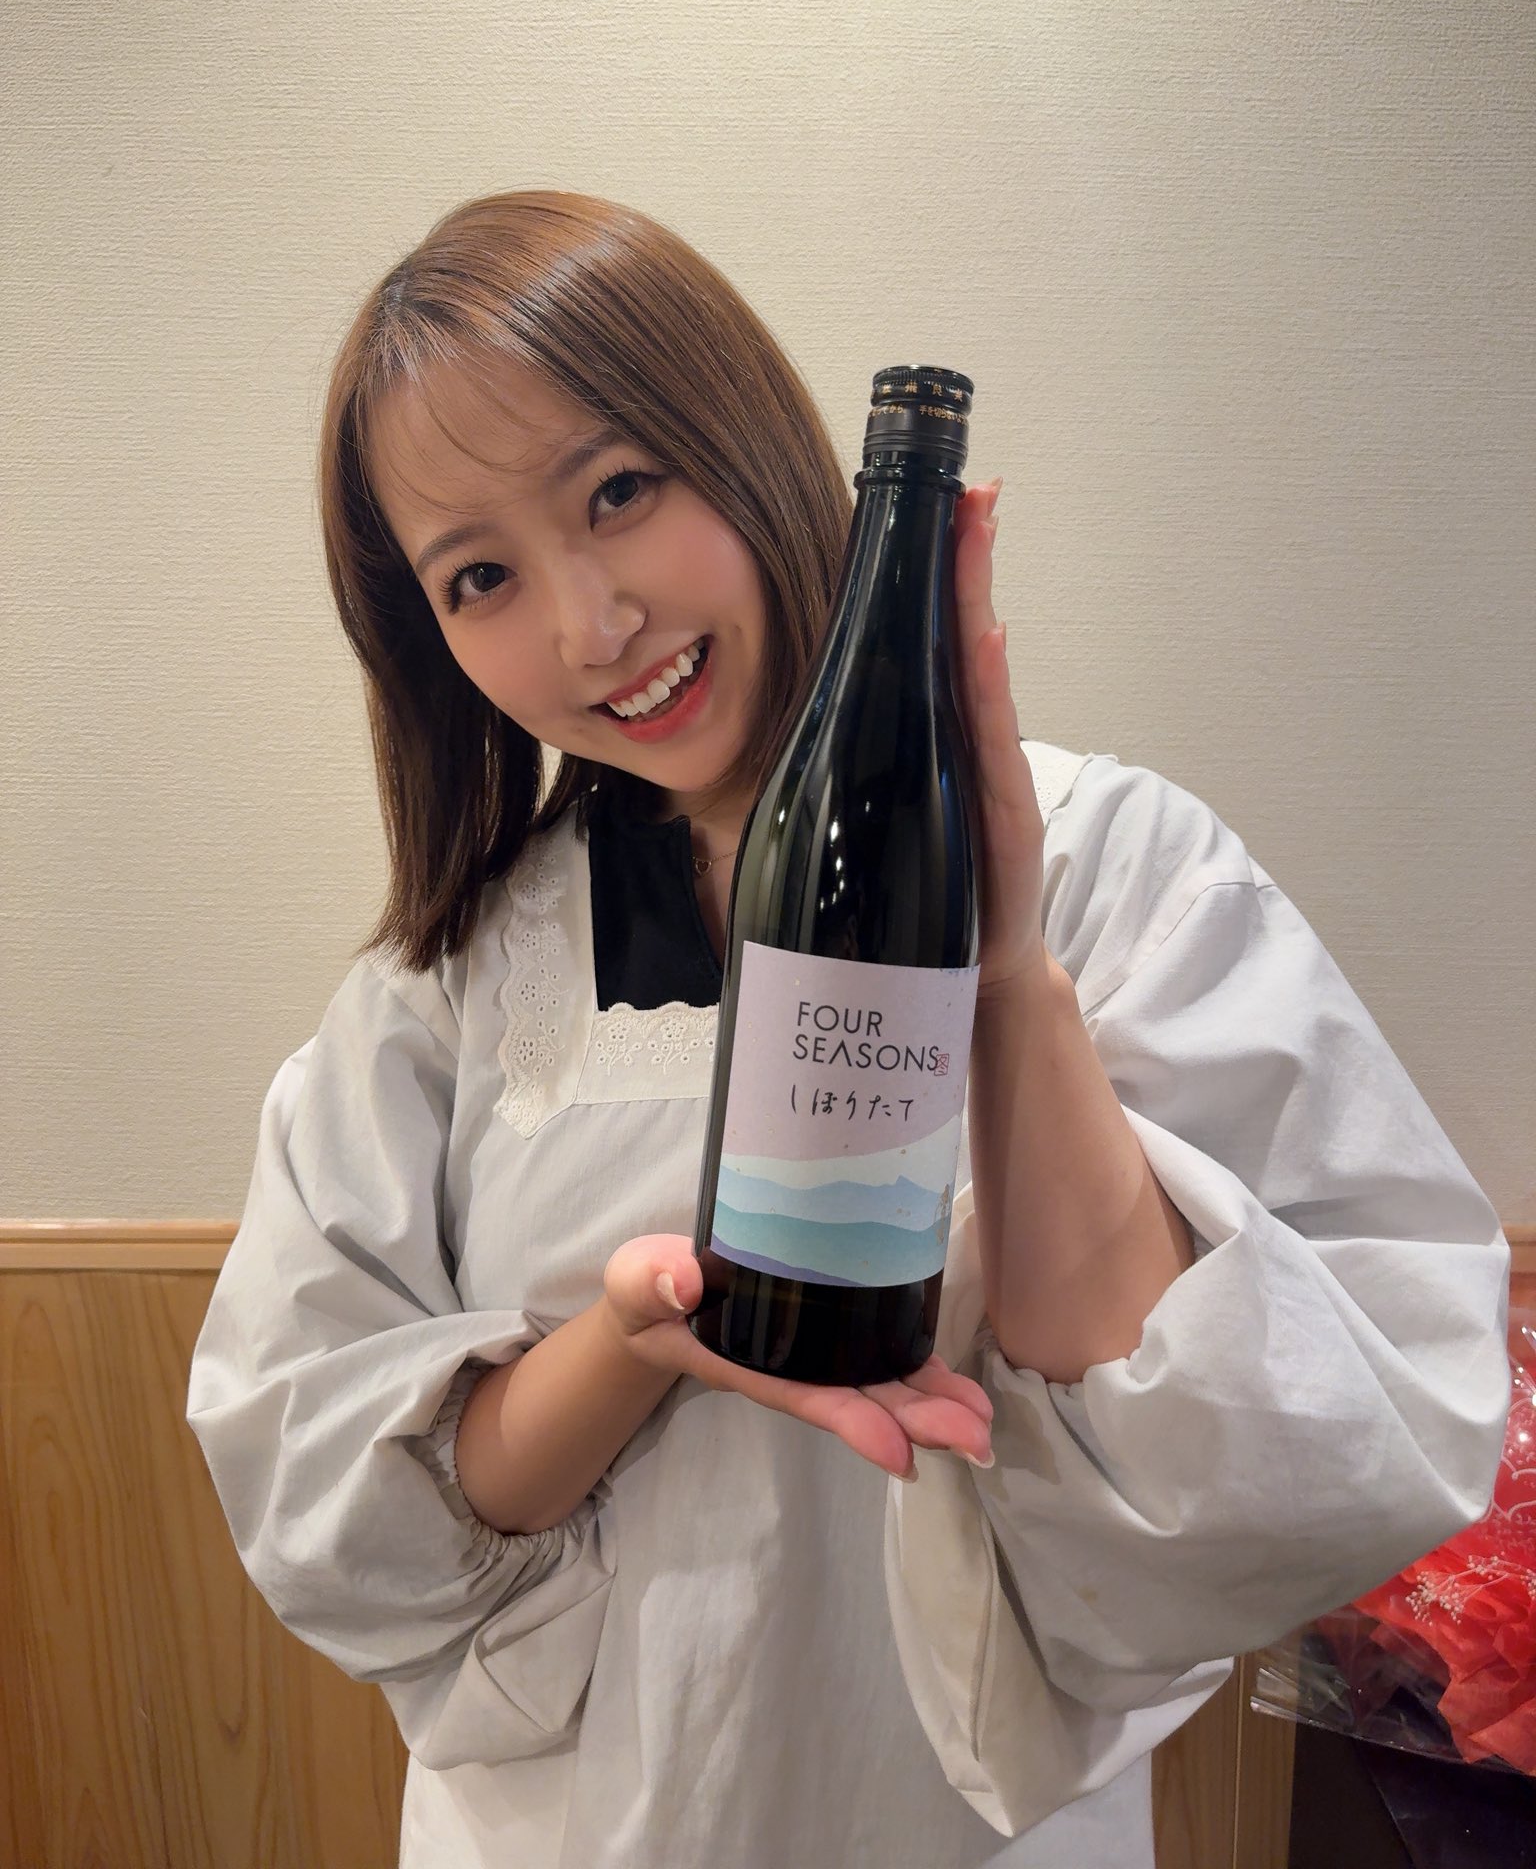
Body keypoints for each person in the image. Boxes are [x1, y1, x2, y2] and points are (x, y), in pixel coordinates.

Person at [187, 191, 1510, 1869]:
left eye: (618, 489)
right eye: (482, 576)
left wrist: (1006, 969)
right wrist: (631, 1341)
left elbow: (1282, 1471)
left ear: (737, 436)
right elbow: (341, 1509)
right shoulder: (451, 987)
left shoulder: (1115, 871)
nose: (590, 625)